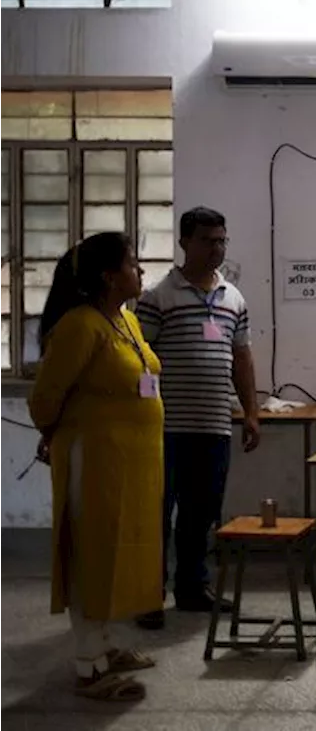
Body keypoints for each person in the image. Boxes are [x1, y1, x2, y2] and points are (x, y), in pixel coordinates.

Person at [29, 233, 163, 701]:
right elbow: (44, 400)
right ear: (109, 276)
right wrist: (58, 432)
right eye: (133, 263)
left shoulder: (125, 322)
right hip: (94, 461)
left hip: (131, 465)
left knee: (118, 553)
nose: (140, 271)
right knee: (91, 555)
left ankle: (106, 644)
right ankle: (89, 667)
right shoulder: (79, 326)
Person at [134, 207, 260, 630]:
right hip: (164, 429)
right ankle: (148, 594)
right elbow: (139, 361)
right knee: (156, 512)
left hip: (214, 427)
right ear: (185, 242)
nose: (217, 249)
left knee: (201, 513)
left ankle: (192, 587)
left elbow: (241, 358)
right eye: (208, 240)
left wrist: (251, 413)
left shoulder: (233, 298)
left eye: (222, 240)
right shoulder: (157, 297)